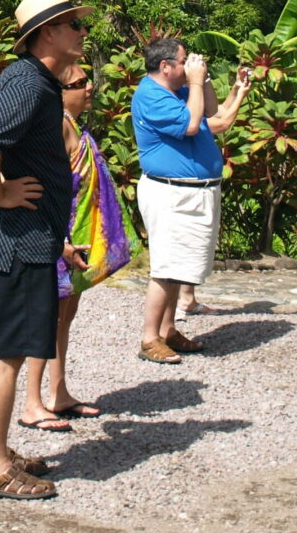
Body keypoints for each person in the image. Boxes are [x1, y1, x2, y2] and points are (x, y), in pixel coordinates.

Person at [0, 0, 92, 500]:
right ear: (47, 33)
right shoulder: (30, 83)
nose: (83, 32)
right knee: (8, 354)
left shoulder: (29, 80)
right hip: (17, 242)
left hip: (30, 239)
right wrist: (0, 191)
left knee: (12, 350)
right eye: (74, 25)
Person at [18, 63, 142, 431]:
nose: (89, 88)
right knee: (47, 317)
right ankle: (32, 403)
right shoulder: (56, 125)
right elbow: (49, 182)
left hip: (79, 234)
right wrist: (61, 240)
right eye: (78, 83)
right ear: (59, 91)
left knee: (65, 317)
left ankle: (58, 393)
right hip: (62, 236)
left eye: (88, 81)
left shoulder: (73, 124)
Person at [131, 36, 250, 363]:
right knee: (166, 267)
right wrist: (196, 82)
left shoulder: (178, 90)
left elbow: (212, 111)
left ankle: (168, 331)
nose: (190, 67)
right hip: (170, 193)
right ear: (165, 66)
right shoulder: (152, 96)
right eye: (184, 62)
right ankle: (149, 338)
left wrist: (205, 78)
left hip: (192, 192)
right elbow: (193, 122)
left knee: (180, 267)